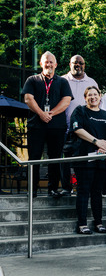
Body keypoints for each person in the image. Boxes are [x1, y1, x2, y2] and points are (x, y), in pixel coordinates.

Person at [22, 51, 73, 198]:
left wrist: (50, 113)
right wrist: (41, 113)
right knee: (34, 157)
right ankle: (32, 189)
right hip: (36, 126)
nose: (49, 64)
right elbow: (28, 99)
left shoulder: (63, 82)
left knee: (55, 157)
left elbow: (66, 101)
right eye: (46, 61)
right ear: (41, 63)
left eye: (51, 62)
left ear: (56, 65)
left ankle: (52, 189)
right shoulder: (32, 80)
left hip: (56, 126)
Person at [69, 86, 106, 234]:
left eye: (95, 94)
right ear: (85, 98)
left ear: (100, 96)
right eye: (89, 95)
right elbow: (77, 129)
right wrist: (96, 142)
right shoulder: (80, 111)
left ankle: (98, 222)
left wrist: (105, 145)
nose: (93, 97)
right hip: (84, 158)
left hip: (101, 159)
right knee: (83, 191)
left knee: (97, 192)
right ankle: (82, 224)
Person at [62, 54, 99, 196]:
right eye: (75, 63)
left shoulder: (91, 82)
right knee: (64, 160)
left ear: (84, 65)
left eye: (81, 63)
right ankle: (66, 187)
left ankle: (83, 188)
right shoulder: (62, 80)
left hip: (85, 130)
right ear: (70, 64)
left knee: (83, 160)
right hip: (64, 127)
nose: (78, 65)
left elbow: (95, 104)